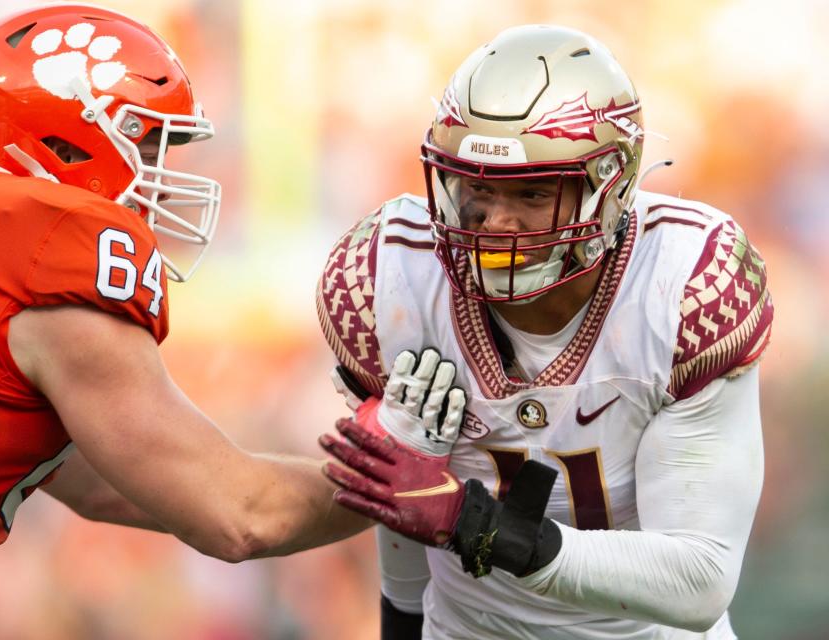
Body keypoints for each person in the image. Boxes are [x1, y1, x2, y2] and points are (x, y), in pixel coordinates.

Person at [0, 6, 381, 638]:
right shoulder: (50, 241)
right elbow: (239, 513)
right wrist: (397, 471)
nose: (163, 182)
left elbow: (107, 486)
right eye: (143, 143)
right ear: (61, 138)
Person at [316, 24, 773, 639]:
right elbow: (403, 501)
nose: (498, 222)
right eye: (479, 187)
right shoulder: (387, 281)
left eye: (533, 192)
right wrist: (401, 620)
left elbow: (699, 577)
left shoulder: (684, 286)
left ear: (608, 189)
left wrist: (480, 526)